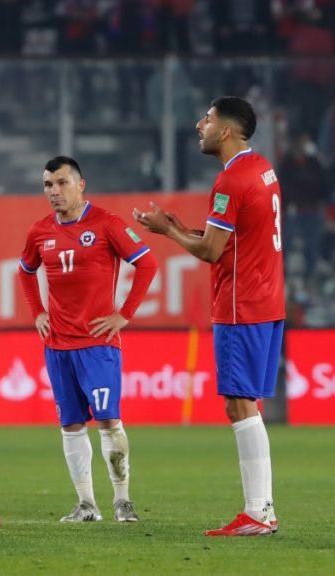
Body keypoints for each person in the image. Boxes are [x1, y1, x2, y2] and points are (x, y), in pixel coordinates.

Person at [135, 96, 284, 536]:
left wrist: (168, 231)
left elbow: (211, 251)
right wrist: (182, 227)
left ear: (226, 131)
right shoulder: (263, 168)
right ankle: (263, 510)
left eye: (207, 119)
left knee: (239, 404)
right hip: (266, 300)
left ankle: (258, 513)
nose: (199, 124)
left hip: (241, 305)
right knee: (246, 403)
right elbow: (234, 240)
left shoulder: (231, 180)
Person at [17, 156, 158, 524]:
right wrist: (37, 311)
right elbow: (25, 271)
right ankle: (86, 505)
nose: (54, 191)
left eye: (62, 183)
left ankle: (122, 500)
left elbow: (147, 263)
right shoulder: (39, 231)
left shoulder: (107, 223)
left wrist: (123, 315)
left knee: (109, 422)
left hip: (97, 344)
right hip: (57, 345)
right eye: (48, 184)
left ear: (81, 185)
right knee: (71, 425)